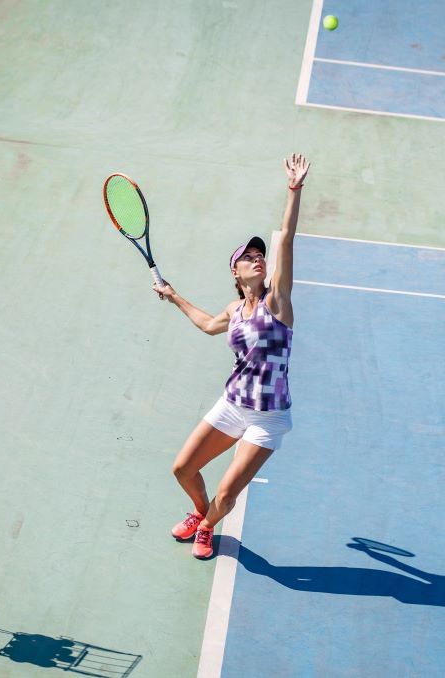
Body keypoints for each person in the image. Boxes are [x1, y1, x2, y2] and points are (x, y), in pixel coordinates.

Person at [153, 154, 310, 558]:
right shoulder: (235, 310)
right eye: (248, 257)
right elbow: (208, 324)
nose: (258, 258)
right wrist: (173, 297)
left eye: (260, 256)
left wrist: (294, 190)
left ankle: (207, 527)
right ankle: (200, 512)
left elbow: (287, 239)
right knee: (183, 469)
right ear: (236, 274)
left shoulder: (278, 302)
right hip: (232, 404)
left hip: (267, 417)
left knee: (227, 491)